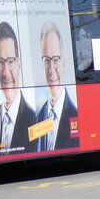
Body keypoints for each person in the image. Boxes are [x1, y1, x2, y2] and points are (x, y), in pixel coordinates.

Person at [0, 21, 37, 155]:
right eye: (1, 62)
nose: (6, 73)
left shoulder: (33, 117)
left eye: (10, 62)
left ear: (19, 64)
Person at [35, 22, 78, 152]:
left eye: (56, 59)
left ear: (64, 62)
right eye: (46, 60)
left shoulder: (75, 113)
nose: (51, 70)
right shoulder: (38, 116)